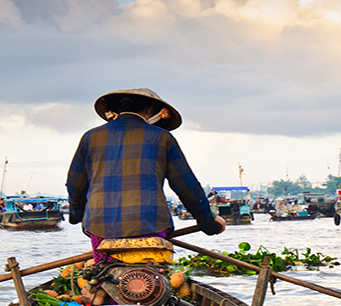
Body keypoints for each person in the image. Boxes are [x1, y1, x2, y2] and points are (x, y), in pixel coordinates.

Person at [66, 87, 225, 267]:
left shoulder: (90, 137)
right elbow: (186, 186)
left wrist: (76, 215)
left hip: (100, 228)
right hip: (151, 225)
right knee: (152, 281)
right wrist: (208, 222)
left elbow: (75, 185)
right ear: (151, 110)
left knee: (105, 275)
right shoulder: (162, 137)